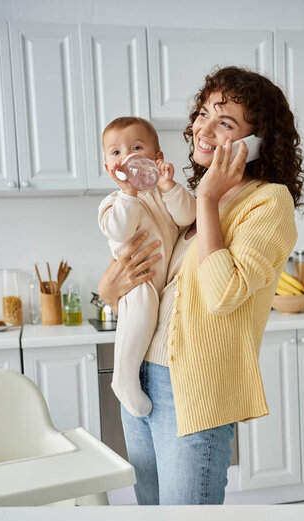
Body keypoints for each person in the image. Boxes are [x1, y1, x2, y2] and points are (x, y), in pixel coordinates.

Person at [98, 66, 304, 505]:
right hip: (142, 375)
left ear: (257, 142)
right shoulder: (191, 201)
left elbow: (222, 293)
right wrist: (110, 289)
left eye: (225, 122)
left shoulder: (268, 201)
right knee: (152, 520)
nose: (203, 129)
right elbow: (155, 288)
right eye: (203, 114)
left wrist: (209, 199)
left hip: (193, 387)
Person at [99, 117, 196, 416]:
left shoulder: (166, 194)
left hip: (160, 281)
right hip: (137, 281)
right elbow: (120, 231)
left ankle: (129, 376)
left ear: (157, 158)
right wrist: (129, 193)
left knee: (147, 320)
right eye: (115, 152)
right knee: (140, 312)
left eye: (136, 147)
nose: (126, 156)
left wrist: (168, 186)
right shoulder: (113, 203)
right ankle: (124, 379)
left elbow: (187, 216)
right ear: (108, 168)